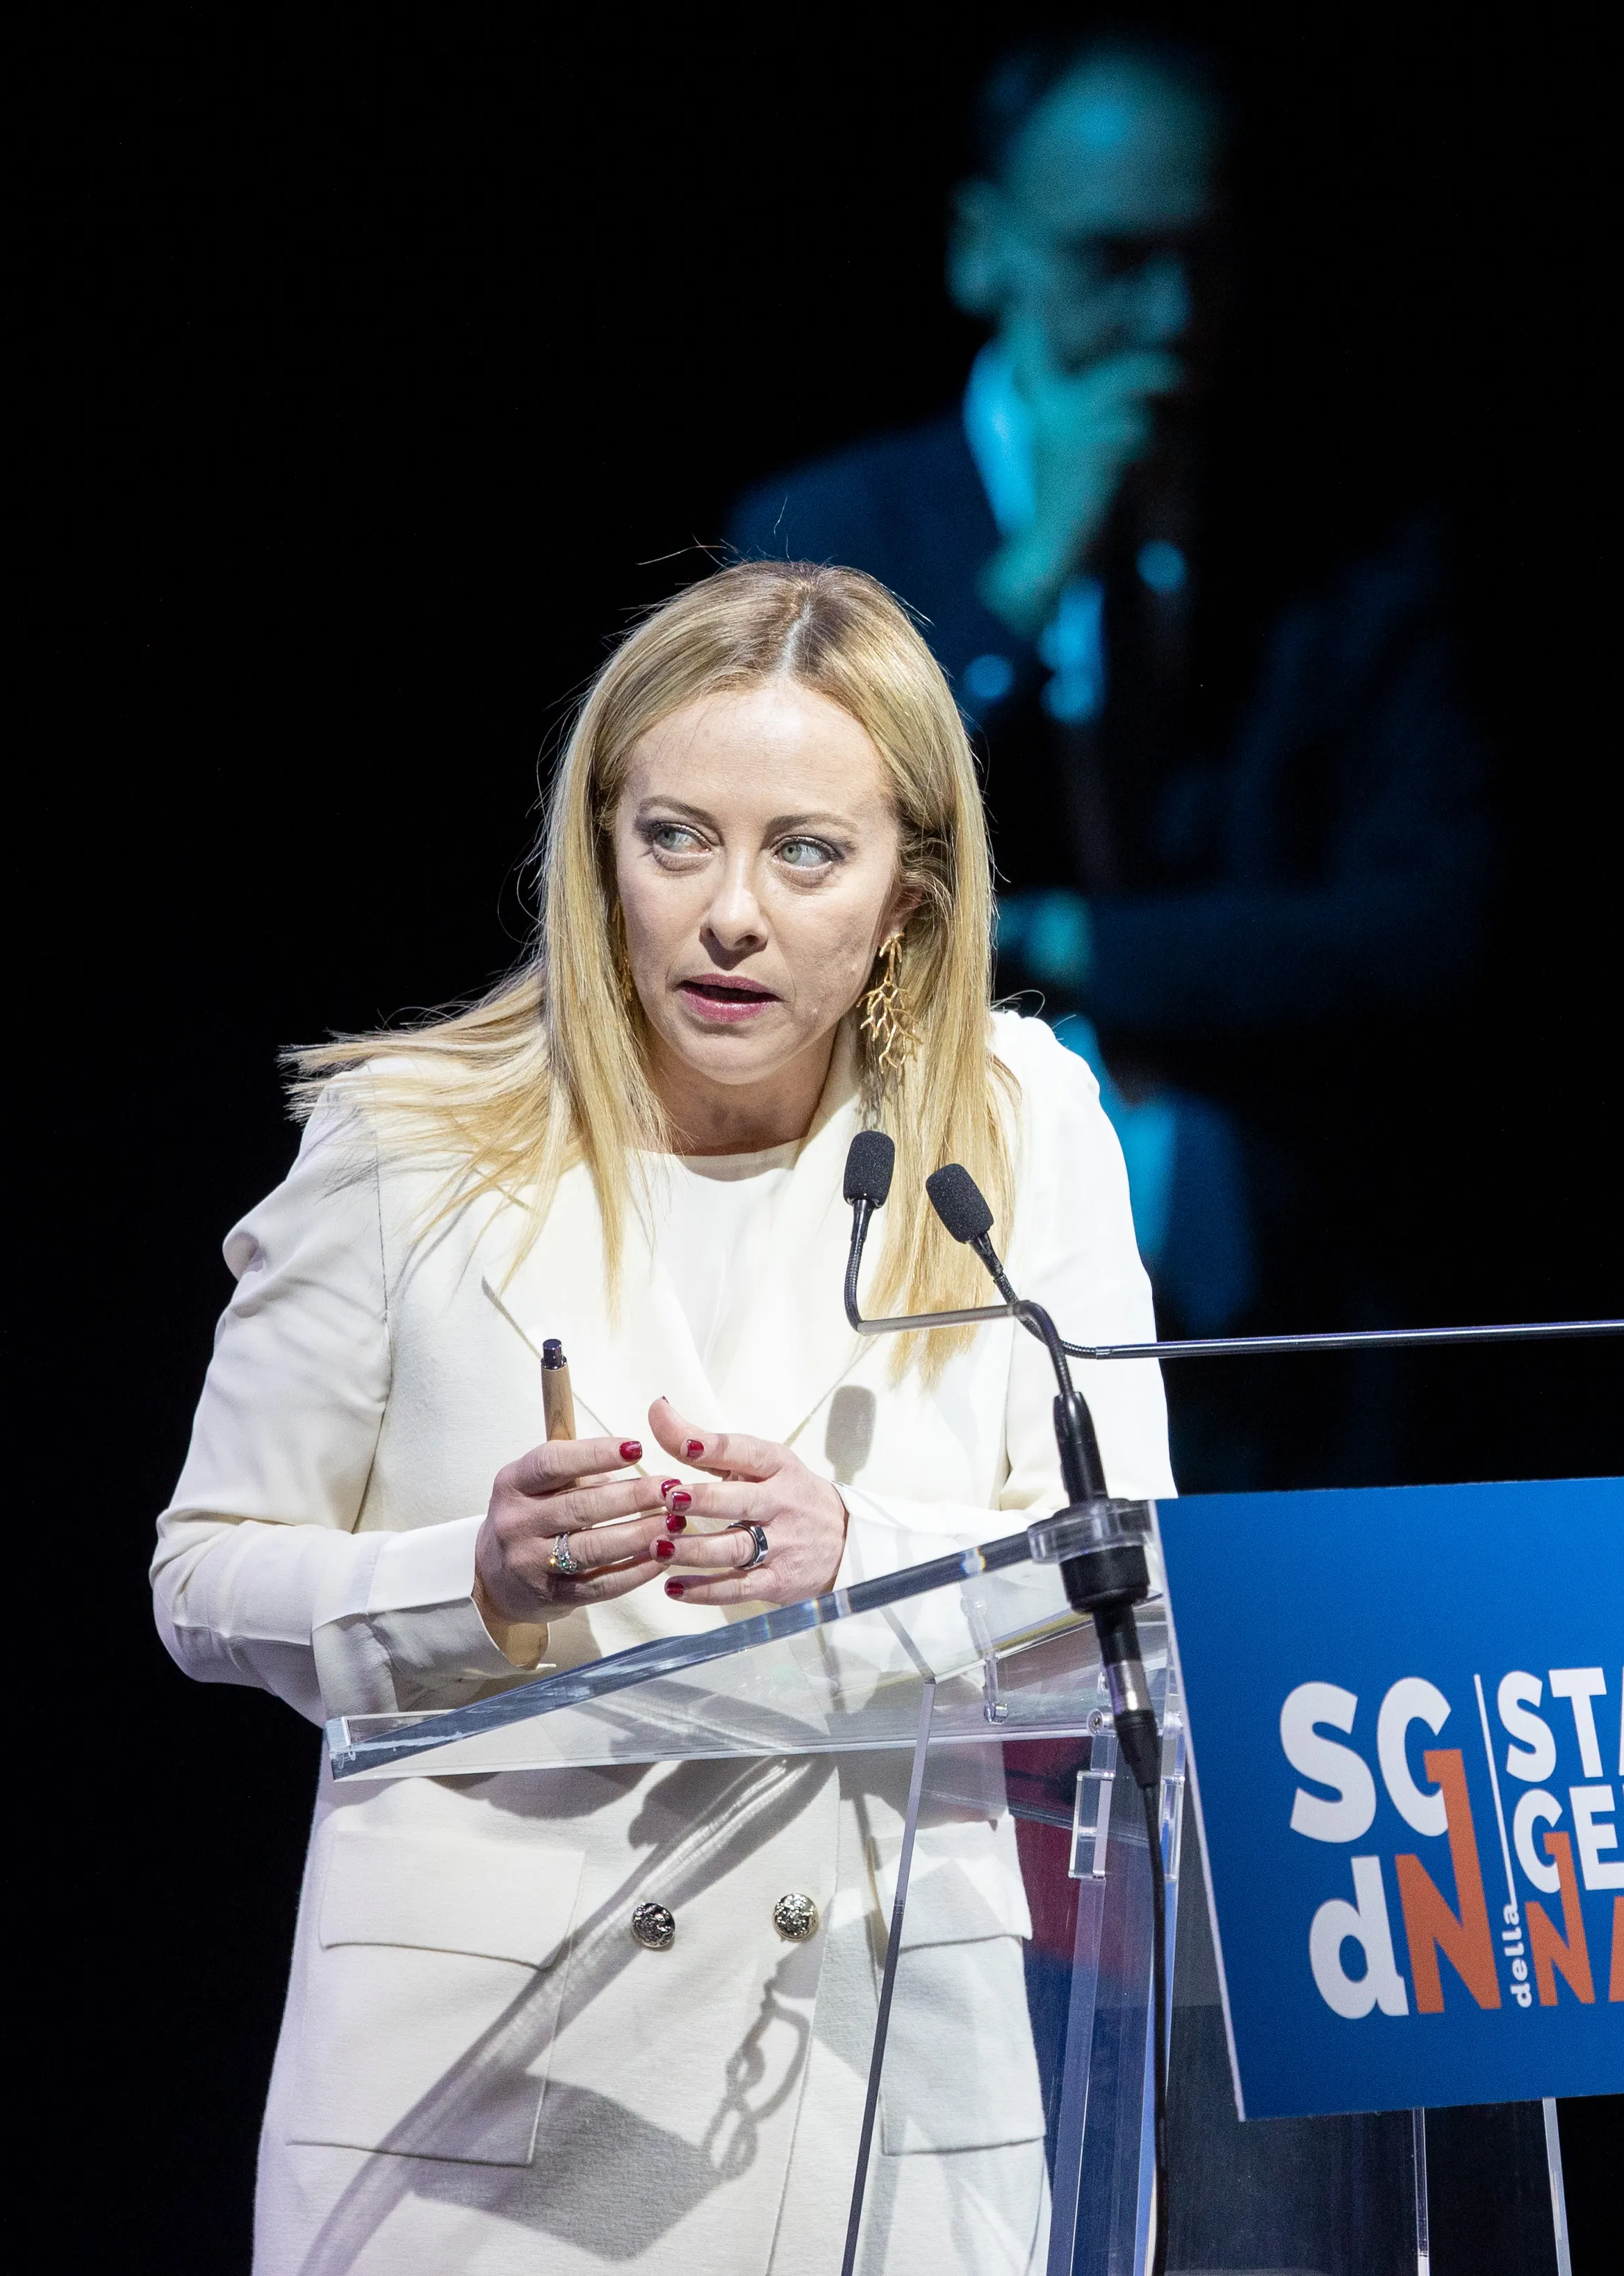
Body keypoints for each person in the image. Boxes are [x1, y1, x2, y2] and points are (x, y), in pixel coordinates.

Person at [148, 561, 1172, 2274]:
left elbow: (1134, 1583)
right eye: (676, 837)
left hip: (885, 2084)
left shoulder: (1022, 1125)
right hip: (486, 2107)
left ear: (908, 893)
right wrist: (470, 1581)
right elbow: (204, 1579)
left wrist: (866, 1559)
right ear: (598, 847)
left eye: (806, 852)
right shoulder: (406, 1140)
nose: (730, 914)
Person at [728, 34, 1489, 1447]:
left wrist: (1063, 939)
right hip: (932, 1281)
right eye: (1109, 260)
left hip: (1286, 1303)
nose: (1167, 314)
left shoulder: (1349, 559)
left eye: (1202, 258)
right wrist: (1024, 585)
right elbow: (790, 862)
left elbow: (1425, 924)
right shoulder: (827, 536)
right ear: (983, 250)